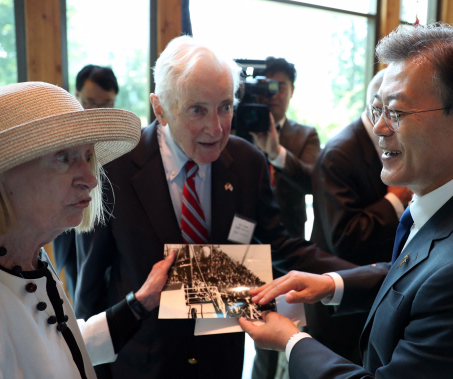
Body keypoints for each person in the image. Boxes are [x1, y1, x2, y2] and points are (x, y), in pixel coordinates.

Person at [239, 23, 453, 378]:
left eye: (397, 112)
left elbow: (444, 277)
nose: (381, 128)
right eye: (377, 110)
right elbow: (420, 274)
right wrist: (332, 284)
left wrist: (291, 342)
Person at [74, 36, 355, 379]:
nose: (216, 128)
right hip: (142, 363)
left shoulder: (248, 162)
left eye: (225, 106)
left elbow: (279, 246)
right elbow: (89, 287)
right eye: (198, 110)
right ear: (160, 107)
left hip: (221, 360)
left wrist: (354, 275)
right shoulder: (114, 167)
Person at [0, 82, 176, 378]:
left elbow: (55, 346)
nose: (91, 179)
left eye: (88, 157)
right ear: (0, 175)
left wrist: (140, 303)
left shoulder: (26, 259)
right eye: (64, 158)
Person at [306, 69, 412, 364]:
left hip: (378, 295)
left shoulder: (393, 145)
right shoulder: (339, 153)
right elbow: (344, 237)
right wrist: (395, 199)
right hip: (340, 308)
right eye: (394, 111)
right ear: (375, 106)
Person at [54, 64, 120, 299]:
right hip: (71, 232)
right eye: (90, 102)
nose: (97, 111)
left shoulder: (122, 139)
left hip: (113, 229)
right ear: (76, 94)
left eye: (107, 104)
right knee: (79, 292)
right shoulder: (55, 134)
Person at [251, 57, 320, 238]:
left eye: (280, 87)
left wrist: (277, 154)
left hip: (289, 234)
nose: (272, 94)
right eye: (265, 86)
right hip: (244, 233)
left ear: (292, 90)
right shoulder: (237, 131)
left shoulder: (306, 135)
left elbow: (314, 182)